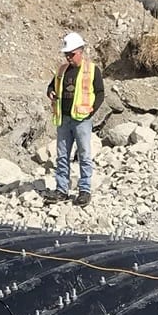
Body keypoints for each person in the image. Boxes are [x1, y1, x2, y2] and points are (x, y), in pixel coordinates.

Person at [48, 31, 105, 206]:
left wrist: (91, 112)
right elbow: (52, 85)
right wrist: (50, 91)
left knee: (84, 155)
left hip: (82, 120)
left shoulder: (92, 70)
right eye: (66, 54)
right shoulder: (62, 70)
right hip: (64, 119)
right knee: (62, 156)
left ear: (80, 51)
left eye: (71, 54)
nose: (68, 58)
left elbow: (100, 93)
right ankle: (61, 190)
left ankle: (84, 190)